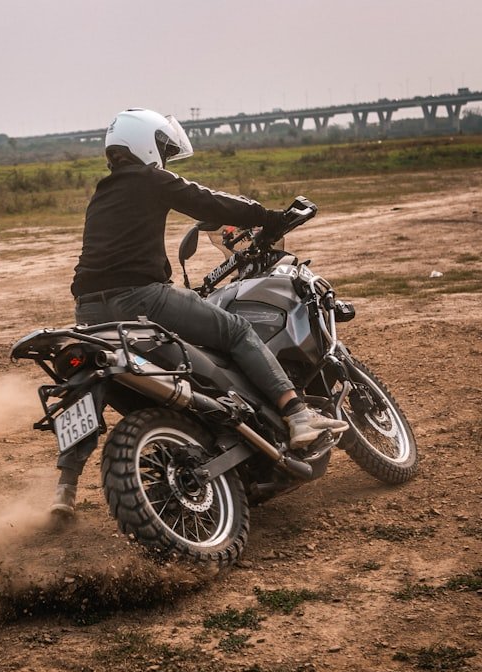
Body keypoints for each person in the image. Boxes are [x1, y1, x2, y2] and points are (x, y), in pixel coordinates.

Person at [50, 108, 347, 515]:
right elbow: (208, 201)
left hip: (88, 310)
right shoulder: (151, 179)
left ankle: (64, 489)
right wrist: (268, 217)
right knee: (237, 332)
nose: (165, 158)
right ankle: (297, 415)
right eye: (163, 149)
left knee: (89, 387)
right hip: (141, 298)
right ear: (147, 144)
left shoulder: (102, 193)